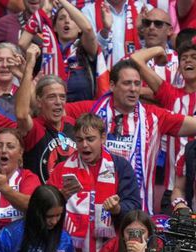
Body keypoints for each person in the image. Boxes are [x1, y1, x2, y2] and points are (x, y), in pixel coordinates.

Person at [66, 59, 196, 215]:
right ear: (112, 85)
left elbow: (192, 124)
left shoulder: (155, 116)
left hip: (137, 214)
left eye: (137, 83)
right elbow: (53, 113)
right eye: (127, 83)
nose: (133, 89)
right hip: (93, 210)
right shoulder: (91, 109)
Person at [48, 113, 141, 252]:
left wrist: (118, 209)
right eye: (80, 140)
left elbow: (135, 209)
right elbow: (45, 211)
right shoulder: (62, 168)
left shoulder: (119, 166)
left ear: (103, 138)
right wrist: (60, 198)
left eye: (90, 139)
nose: (84, 145)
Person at [131, 44, 196, 200]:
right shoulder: (170, 95)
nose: (188, 61)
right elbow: (136, 59)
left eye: (194, 57)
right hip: (173, 189)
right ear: (179, 67)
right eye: (183, 58)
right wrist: (159, 50)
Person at [15, 47, 77, 184]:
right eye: (51, 97)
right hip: (43, 200)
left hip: (74, 201)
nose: (58, 102)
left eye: (62, 97)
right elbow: (21, 114)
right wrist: (29, 67)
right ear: (39, 101)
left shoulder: (72, 124)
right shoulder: (35, 128)